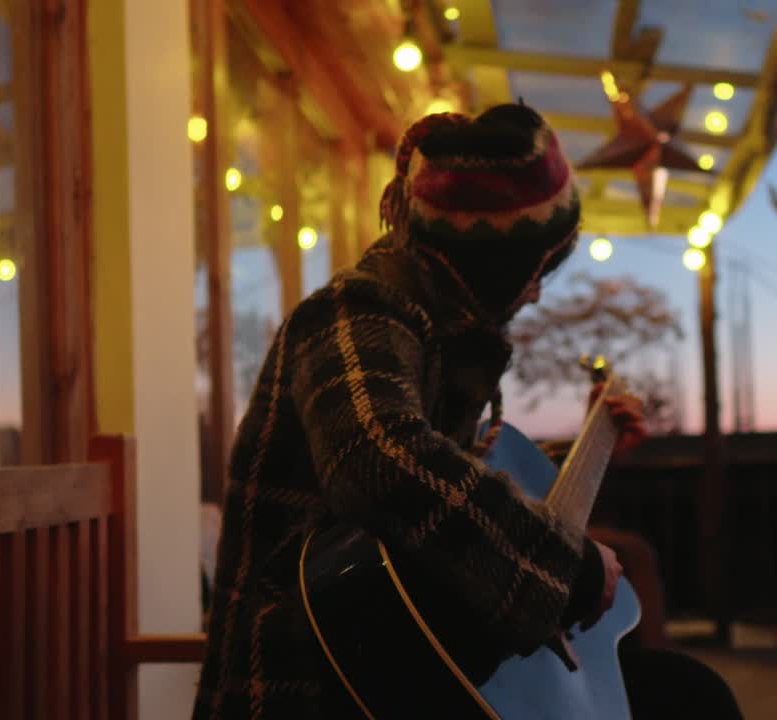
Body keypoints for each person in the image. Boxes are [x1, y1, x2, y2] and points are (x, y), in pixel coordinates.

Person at [194, 104, 739, 719]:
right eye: (537, 269)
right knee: (689, 702)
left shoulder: (429, 331)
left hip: (397, 670)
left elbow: (443, 477)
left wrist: (585, 451)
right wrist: (572, 567)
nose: (534, 291)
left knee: (685, 694)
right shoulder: (356, 310)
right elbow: (379, 460)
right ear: (495, 266)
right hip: (305, 687)